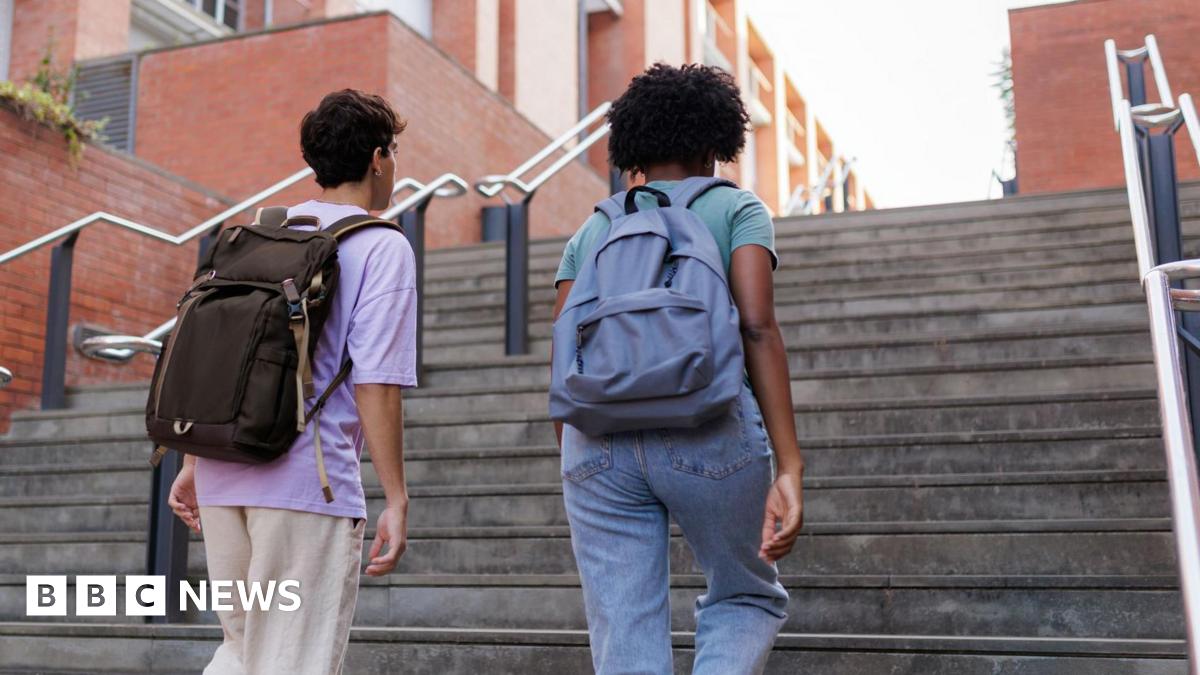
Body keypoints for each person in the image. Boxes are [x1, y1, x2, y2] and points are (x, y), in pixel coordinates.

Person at [551, 63, 805, 675]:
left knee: (623, 624)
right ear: (715, 138)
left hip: (597, 441)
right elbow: (756, 327)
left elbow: (563, 351)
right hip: (708, 422)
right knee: (745, 593)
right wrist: (790, 463)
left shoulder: (595, 228)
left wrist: (576, 454)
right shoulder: (737, 210)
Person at [166, 89, 417, 675]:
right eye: (394, 155)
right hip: (309, 487)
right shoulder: (382, 245)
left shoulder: (259, 233)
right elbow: (376, 383)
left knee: (242, 650)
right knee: (292, 660)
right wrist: (397, 498)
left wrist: (195, 463)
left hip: (227, 478)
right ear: (378, 159)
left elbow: (220, 352)